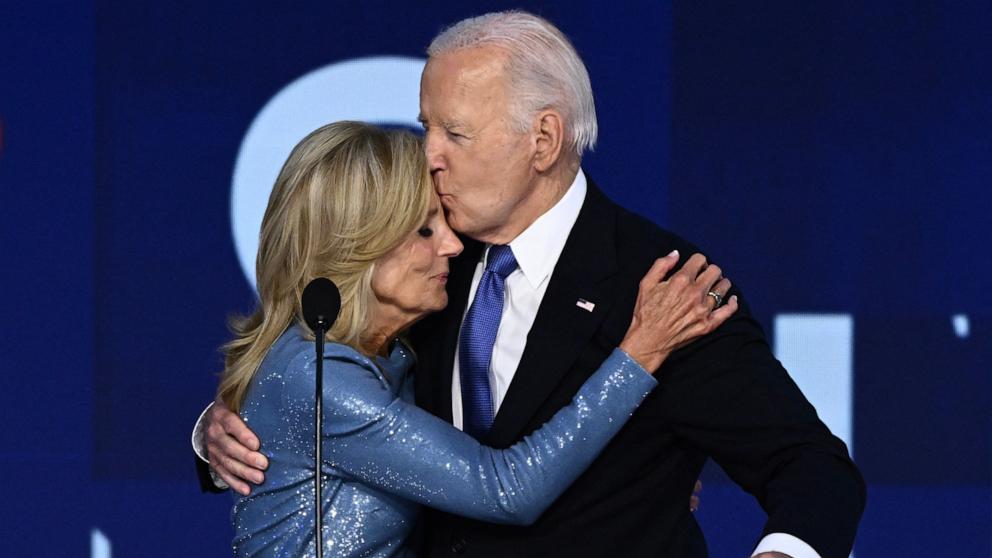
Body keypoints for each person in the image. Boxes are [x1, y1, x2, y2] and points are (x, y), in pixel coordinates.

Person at [200, 11, 865, 558]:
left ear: (542, 140)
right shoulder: (424, 262)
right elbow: (329, 395)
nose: (428, 154)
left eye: (454, 133)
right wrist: (220, 434)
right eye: (428, 126)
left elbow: (812, 469)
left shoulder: (664, 288)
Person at [216, 120, 737, 556]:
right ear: (355, 247)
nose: (450, 244)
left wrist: (637, 476)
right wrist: (638, 354)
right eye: (424, 230)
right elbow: (506, 489)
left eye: (442, 221)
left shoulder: (395, 353)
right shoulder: (318, 377)